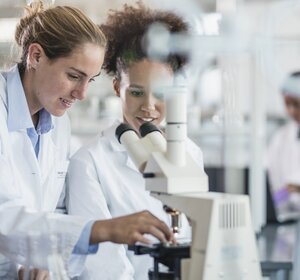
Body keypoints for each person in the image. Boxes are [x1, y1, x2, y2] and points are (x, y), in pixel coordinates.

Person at [0, 1, 174, 279]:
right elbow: (4, 217)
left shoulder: (58, 123)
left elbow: (51, 208)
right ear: (35, 56)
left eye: (90, 80)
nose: (81, 94)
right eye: (73, 76)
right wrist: (102, 229)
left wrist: (42, 262)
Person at [66, 3, 205, 279]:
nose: (149, 107)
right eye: (137, 92)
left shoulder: (190, 152)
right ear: (118, 87)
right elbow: (103, 267)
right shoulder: (89, 162)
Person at [266, 71, 300, 218]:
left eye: (296, 104)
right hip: (286, 218)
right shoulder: (280, 138)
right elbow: (269, 187)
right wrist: (283, 193)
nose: (291, 110)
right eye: (287, 104)